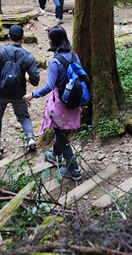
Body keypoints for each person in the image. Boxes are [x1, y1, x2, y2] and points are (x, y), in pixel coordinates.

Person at [25, 26, 83, 179]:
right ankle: (55, 155)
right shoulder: (75, 56)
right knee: (61, 130)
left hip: (60, 104)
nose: (48, 40)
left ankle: (73, 169)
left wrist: (33, 94)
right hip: (74, 101)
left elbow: (50, 86)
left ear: (54, 40)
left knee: (62, 136)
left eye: (49, 38)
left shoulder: (55, 62)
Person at [0, 24, 40, 158]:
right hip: (19, 93)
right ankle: (30, 137)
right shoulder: (28, 56)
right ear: (23, 38)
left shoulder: (0, 52)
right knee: (24, 117)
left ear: (8, 36)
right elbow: (35, 79)